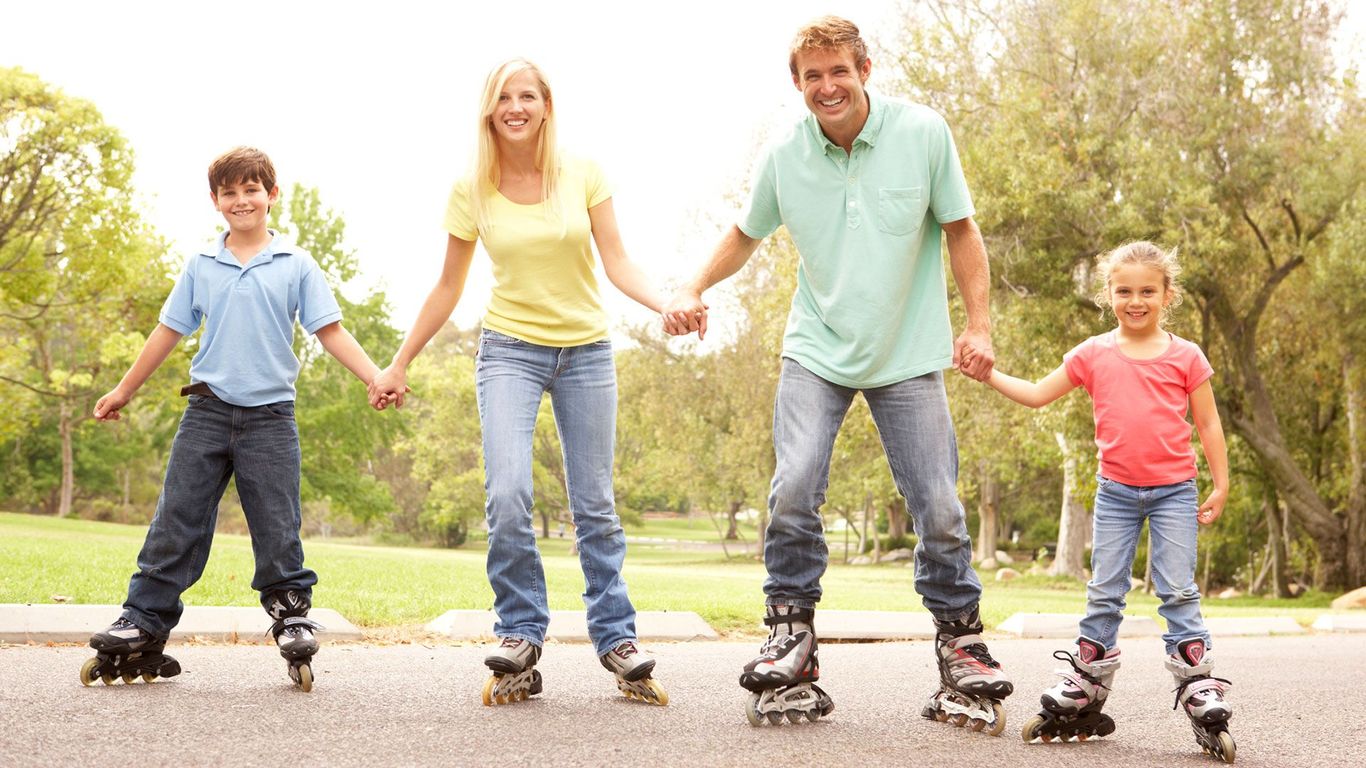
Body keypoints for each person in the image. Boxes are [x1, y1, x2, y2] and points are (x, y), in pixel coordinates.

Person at [663, 16, 1011, 729]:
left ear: (865, 70)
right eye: (813, 76)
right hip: (816, 349)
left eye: (839, 71)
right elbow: (744, 233)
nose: (827, 87)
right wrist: (692, 286)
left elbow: (961, 229)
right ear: (797, 83)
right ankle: (791, 635)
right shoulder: (784, 152)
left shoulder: (923, 133)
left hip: (907, 350)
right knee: (793, 485)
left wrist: (978, 325)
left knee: (939, 504)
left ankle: (961, 644)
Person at [367, 58, 668, 707]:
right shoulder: (472, 188)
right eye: (504, 97)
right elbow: (447, 286)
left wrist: (665, 302)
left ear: (546, 105)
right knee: (507, 493)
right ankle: (520, 633)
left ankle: (616, 637)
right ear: (490, 109)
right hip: (509, 350)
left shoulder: (583, 173)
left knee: (594, 504)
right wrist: (399, 361)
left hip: (586, 351)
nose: (516, 107)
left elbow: (617, 261)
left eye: (527, 95)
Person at [83, 147, 387, 692]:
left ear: (272, 195)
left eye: (252, 190)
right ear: (215, 201)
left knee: (277, 525)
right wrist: (124, 390)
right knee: (176, 520)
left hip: (270, 418)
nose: (241, 200)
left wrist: (374, 377)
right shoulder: (201, 265)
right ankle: (143, 621)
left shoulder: (296, 264)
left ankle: (291, 616)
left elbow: (330, 330)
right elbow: (168, 331)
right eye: (230, 192)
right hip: (206, 411)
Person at [984, 241, 1234, 760]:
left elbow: (1209, 424)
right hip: (1116, 492)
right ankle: (1088, 681)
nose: (1135, 301)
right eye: (1124, 291)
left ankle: (1198, 683)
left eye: (1147, 291)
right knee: (1105, 590)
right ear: (1109, 294)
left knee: (1177, 589)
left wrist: (1221, 483)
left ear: (1167, 295)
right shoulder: (1093, 353)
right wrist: (987, 374)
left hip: (1174, 491)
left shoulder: (1187, 356)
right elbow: (1036, 393)